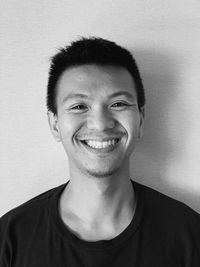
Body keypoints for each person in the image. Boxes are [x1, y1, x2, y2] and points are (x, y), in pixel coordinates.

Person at [0, 37, 200, 267]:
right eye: (79, 106)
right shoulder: (11, 239)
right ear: (55, 124)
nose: (100, 124)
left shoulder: (189, 236)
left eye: (118, 104)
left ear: (141, 119)